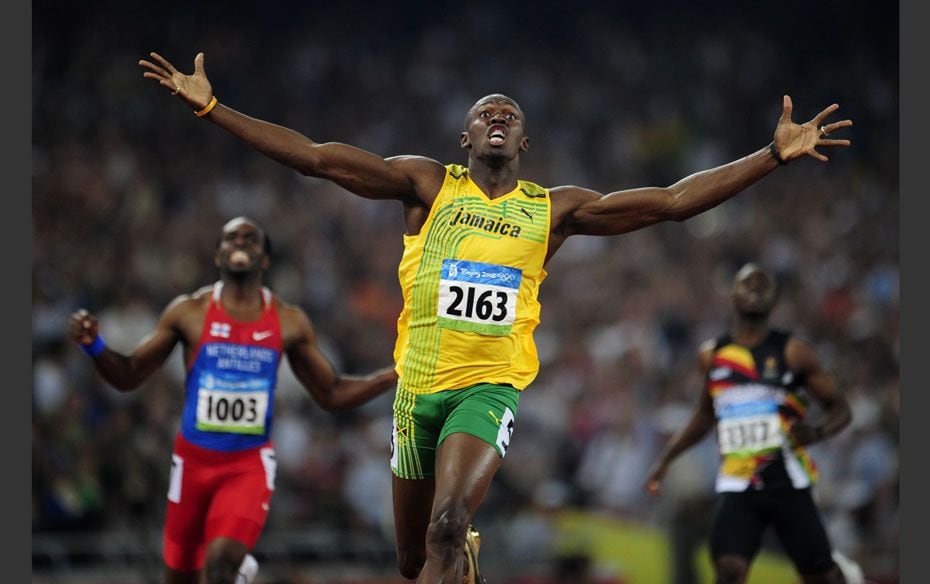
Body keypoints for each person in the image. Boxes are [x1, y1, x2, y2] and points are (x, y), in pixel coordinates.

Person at [138, 51, 853, 584]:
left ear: (526, 144)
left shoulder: (553, 209)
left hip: (488, 388)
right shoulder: (425, 186)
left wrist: (769, 157)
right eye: (486, 111)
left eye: (512, 113)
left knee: (452, 523)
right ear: (465, 138)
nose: (500, 116)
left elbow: (670, 202)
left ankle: (462, 546)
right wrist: (212, 108)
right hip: (416, 392)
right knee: (416, 560)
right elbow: (319, 160)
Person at [68, 217, 398, 584]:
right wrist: (94, 345)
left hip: (247, 466)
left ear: (265, 259)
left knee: (221, 564)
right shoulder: (189, 313)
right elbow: (129, 375)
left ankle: (234, 570)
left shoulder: (288, 321)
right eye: (231, 238)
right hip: (192, 464)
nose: (240, 242)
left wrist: (392, 375)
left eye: (251, 239)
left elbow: (331, 393)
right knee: (179, 577)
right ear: (217, 255)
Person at [643, 263, 854, 584]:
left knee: (820, 577)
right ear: (732, 295)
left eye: (762, 286)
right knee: (729, 568)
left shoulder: (794, 352)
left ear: (774, 300)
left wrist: (817, 432)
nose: (754, 291)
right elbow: (704, 414)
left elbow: (840, 408)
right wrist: (666, 458)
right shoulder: (713, 356)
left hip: (787, 483)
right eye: (747, 285)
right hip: (740, 483)